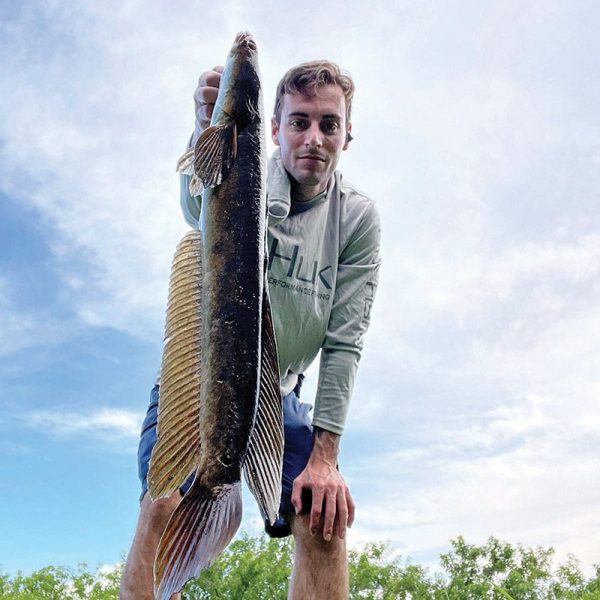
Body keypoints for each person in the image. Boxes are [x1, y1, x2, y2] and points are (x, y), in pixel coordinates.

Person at [120, 58, 381, 600]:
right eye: (299, 121)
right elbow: (199, 207)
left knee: (322, 515)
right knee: (165, 502)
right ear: (274, 128)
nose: (313, 137)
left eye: (328, 123)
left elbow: (345, 342)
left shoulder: (357, 219)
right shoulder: (247, 179)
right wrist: (203, 129)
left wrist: (325, 459)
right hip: (200, 379)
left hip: (279, 390)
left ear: (347, 134)